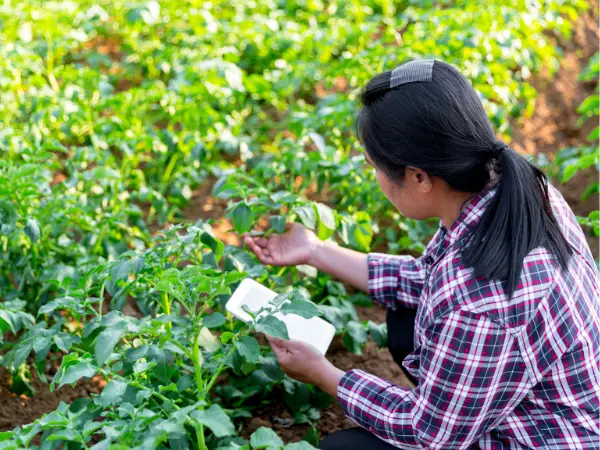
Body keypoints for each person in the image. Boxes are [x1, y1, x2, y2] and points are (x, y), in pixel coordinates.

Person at [243, 60, 600, 449]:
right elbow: (427, 280)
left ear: (418, 177)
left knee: (343, 448)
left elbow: (428, 433)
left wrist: (322, 372)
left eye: (375, 166)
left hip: (547, 438)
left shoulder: (480, 303)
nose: (375, 176)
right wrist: (315, 249)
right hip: (552, 399)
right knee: (404, 321)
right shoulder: (515, 188)